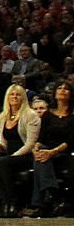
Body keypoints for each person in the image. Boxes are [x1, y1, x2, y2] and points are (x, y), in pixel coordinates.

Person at [0, 84, 40, 217]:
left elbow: (30, 143)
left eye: (18, 94)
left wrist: (13, 156)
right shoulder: (3, 117)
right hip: (10, 156)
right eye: (12, 94)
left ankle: (15, 203)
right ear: (7, 97)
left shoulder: (30, 115)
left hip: (26, 155)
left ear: (23, 98)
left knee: (2, 162)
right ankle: (7, 201)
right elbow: (4, 143)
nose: (14, 97)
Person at [24, 80, 73, 217]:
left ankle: (41, 203)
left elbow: (71, 141)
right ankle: (54, 196)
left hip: (64, 151)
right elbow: (41, 138)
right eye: (59, 88)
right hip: (47, 149)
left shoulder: (72, 115)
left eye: (66, 89)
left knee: (41, 160)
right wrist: (36, 148)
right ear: (55, 93)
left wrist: (52, 152)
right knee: (40, 158)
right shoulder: (47, 114)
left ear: (70, 94)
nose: (62, 90)